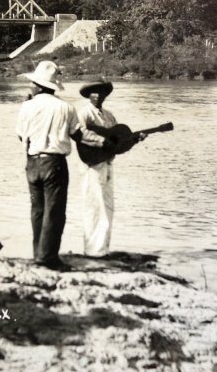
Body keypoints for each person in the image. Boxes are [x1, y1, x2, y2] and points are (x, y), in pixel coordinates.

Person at [16, 61, 110, 271]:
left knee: (37, 210)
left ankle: (38, 253)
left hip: (32, 162)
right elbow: (79, 135)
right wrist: (103, 142)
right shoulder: (65, 107)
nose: (31, 86)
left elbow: (21, 135)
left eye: (33, 83)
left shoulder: (27, 105)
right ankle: (47, 257)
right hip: (54, 162)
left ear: (39, 86)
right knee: (55, 211)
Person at [77, 79, 144, 257]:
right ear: (88, 95)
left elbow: (117, 144)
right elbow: (80, 134)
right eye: (94, 92)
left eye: (101, 92)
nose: (98, 96)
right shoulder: (84, 114)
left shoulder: (109, 116)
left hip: (107, 163)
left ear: (106, 95)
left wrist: (133, 140)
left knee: (107, 207)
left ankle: (103, 249)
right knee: (93, 206)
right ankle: (92, 251)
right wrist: (102, 141)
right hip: (91, 165)